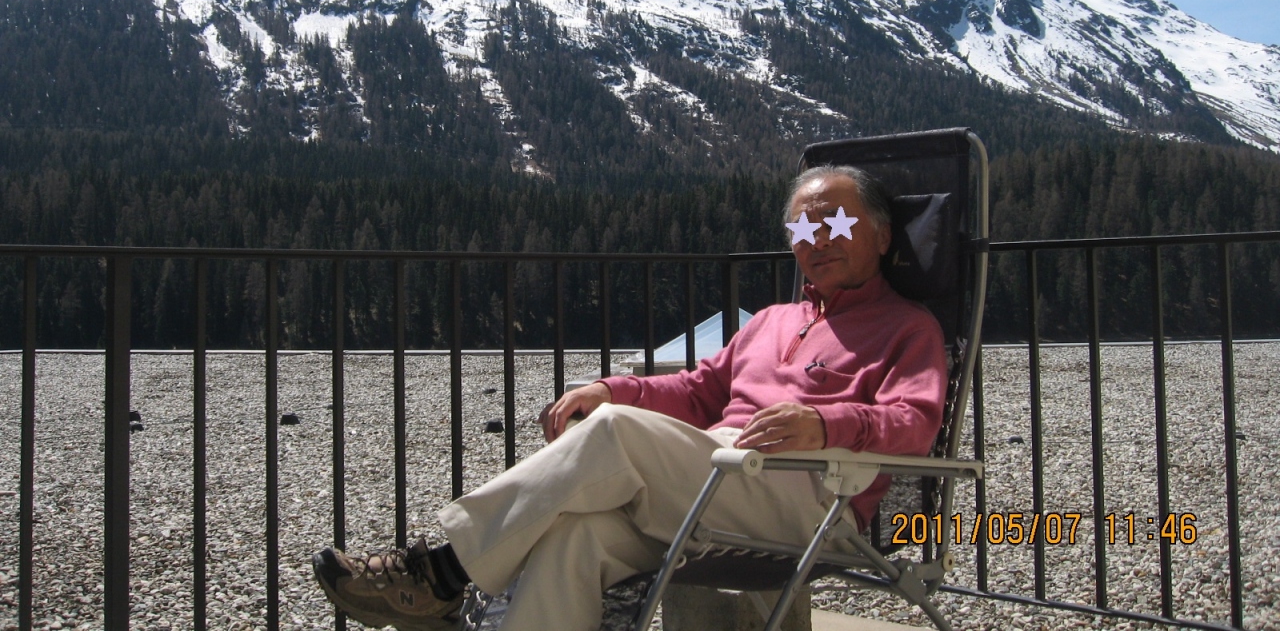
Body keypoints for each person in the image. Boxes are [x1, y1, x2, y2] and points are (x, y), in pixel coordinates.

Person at [312, 165, 948, 631]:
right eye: (803, 226)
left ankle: (443, 572)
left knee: (616, 430)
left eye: (836, 221)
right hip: (714, 482)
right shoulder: (770, 321)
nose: (818, 238)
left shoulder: (907, 327)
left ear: (882, 236)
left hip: (813, 501)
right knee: (576, 539)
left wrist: (826, 423)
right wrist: (608, 387)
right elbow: (698, 391)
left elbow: (914, 422)